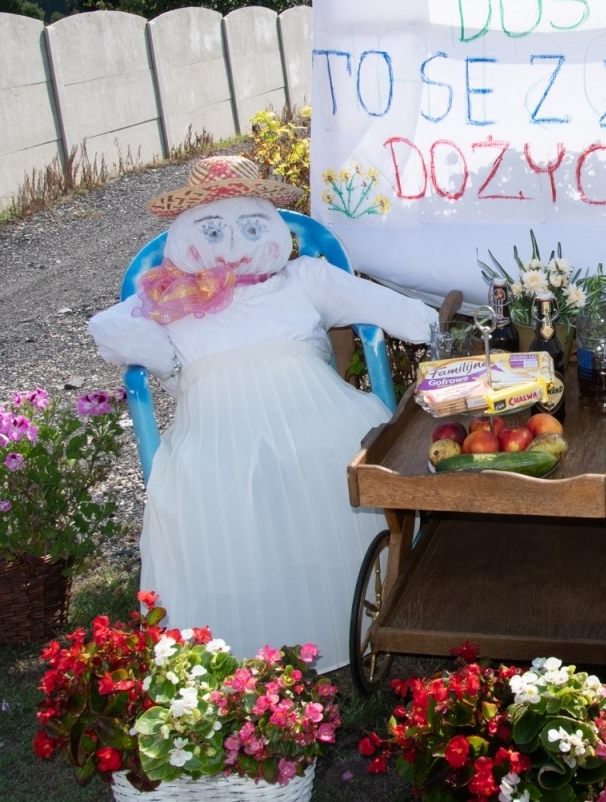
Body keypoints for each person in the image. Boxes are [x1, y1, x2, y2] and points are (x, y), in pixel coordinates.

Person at [88, 156, 437, 670]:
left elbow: (384, 306)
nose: (233, 243)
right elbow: (109, 327)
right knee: (212, 479)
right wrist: (169, 360)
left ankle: (368, 605)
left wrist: (433, 326)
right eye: (213, 230)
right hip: (216, 422)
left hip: (315, 406)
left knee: (335, 451)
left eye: (251, 226)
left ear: (270, 225)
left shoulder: (304, 278)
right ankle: (246, 641)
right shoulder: (171, 295)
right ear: (187, 235)